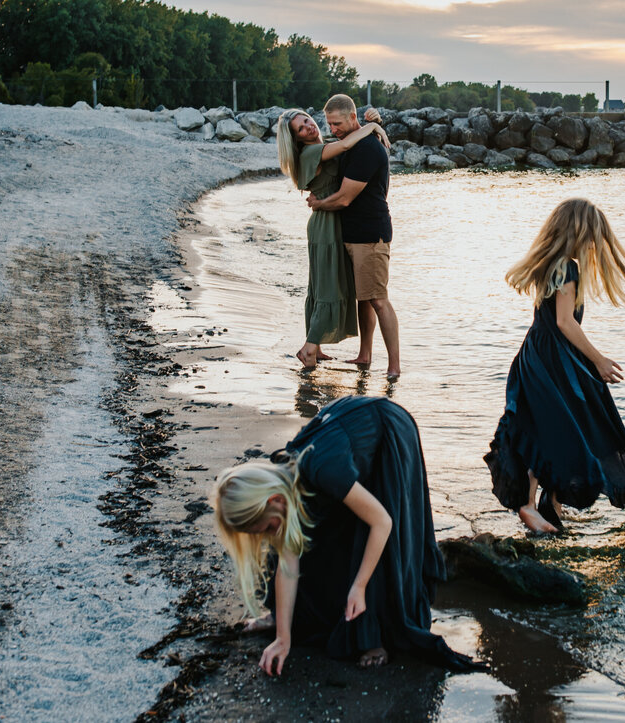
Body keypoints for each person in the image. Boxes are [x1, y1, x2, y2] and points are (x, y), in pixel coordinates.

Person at [211, 396, 484, 675]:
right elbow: (288, 559)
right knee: (311, 539)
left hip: (387, 427)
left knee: (373, 540)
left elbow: (382, 522)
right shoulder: (288, 482)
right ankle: (288, 618)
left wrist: (360, 586)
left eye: (268, 527)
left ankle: (373, 636)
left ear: (274, 500)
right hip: (345, 433)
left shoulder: (322, 469)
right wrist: (284, 638)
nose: (271, 535)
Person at [484, 198, 625, 533]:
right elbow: (566, 323)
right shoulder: (567, 267)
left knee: (556, 428)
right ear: (580, 234)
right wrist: (599, 360)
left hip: (537, 355)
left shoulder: (551, 263)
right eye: (594, 236)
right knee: (554, 432)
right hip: (552, 361)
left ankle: (549, 504)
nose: (596, 244)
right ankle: (527, 505)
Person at [276, 108, 388, 369]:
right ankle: (309, 348)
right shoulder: (314, 152)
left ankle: (316, 345)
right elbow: (349, 142)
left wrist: (372, 119)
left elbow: (351, 142)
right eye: (301, 129)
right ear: (297, 139)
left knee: (321, 284)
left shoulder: (323, 147)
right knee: (329, 286)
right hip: (326, 223)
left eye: (307, 120)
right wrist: (374, 127)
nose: (309, 127)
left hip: (331, 220)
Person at [307, 95, 400, 379]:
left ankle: (394, 367)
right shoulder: (350, 143)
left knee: (378, 299)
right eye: (329, 124)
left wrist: (318, 204)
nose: (332, 129)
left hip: (370, 234)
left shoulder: (368, 148)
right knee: (364, 298)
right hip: (351, 232)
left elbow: (345, 198)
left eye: (336, 123)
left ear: (352, 117)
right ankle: (365, 355)